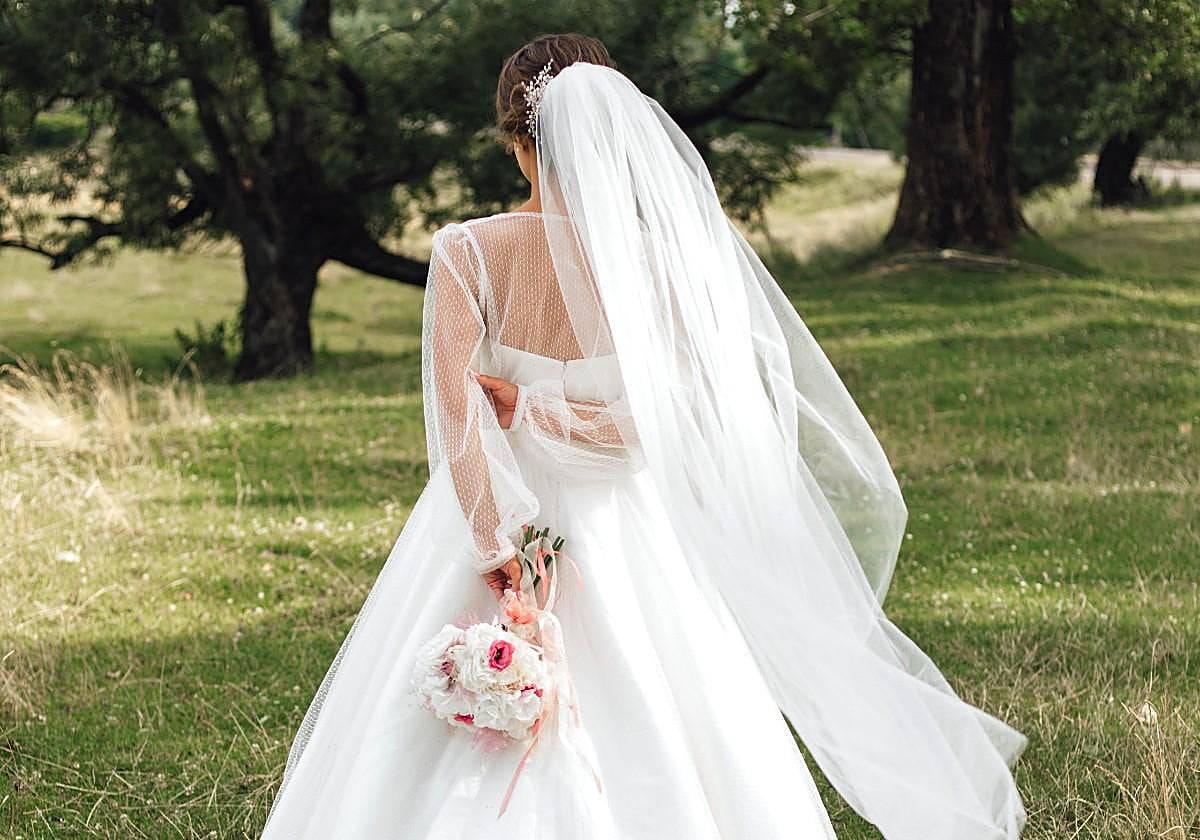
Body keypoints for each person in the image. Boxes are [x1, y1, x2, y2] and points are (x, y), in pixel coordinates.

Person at [260, 33, 1027, 840]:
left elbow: (461, 424)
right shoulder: (660, 262)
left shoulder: (466, 252)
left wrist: (498, 547)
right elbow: (666, 425)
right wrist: (553, 411)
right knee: (678, 704)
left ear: (517, 143)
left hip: (494, 518)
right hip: (629, 526)